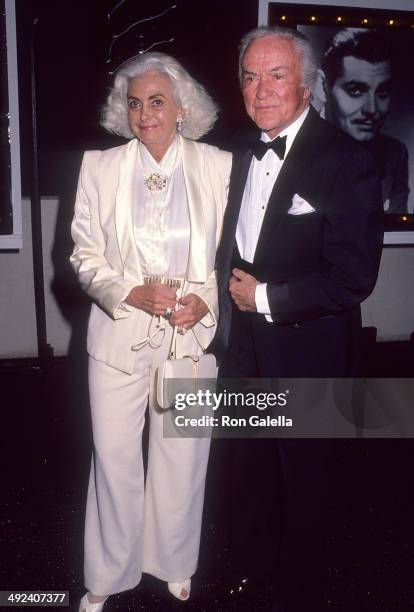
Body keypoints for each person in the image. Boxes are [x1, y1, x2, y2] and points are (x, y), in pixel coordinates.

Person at [209, 26, 383, 611]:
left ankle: (300, 591)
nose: (261, 91)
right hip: (243, 352)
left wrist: (264, 298)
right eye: (250, 77)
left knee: (305, 483)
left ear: (307, 85)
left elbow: (353, 277)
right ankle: (249, 576)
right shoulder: (233, 151)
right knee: (247, 471)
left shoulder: (348, 160)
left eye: (276, 75)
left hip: (308, 353)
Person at [70, 51, 231, 612]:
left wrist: (203, 304)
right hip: (117, 339)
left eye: (157, 102)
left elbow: (228, 257)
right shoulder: (100, 167)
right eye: (135, 104)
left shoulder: (218, 166)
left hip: (188, 338)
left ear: (182, 107)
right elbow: (85, 255)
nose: (144, 115)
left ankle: (173, 561)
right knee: (113, 456)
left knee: (182, 456)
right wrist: (126, 292)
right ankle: (109, 572)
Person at [318, 28, 409, 213]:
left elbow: (393, 230)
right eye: (356, 90)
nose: (372, 110)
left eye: (382, 91)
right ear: (322, 86)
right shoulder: (293, 143)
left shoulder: (394, 155)